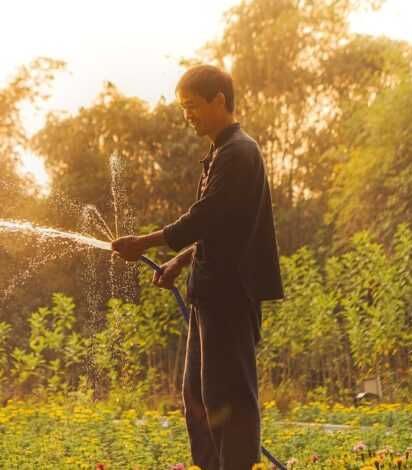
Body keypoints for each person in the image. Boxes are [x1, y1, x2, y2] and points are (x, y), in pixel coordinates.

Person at [111, 64, 283, 470]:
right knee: (198, 397)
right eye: (183, 107)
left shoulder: (240, 152)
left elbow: (202, 218)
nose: (187, 114)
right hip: (208, 294)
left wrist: (145, 242)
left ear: (218, 101)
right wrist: (177, 259)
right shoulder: (221, 152)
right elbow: (217, 226)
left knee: (230, 398)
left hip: (230, 296)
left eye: (192, 106)